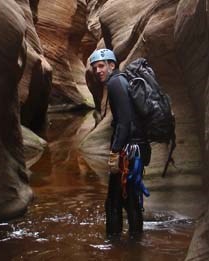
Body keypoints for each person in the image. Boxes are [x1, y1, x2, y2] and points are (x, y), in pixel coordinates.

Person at [89, 48, 151, 239]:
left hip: (129, 151)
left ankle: (114, 244)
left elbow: (124, 122)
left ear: (111, 65)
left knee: (114, 203)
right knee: (130, 200)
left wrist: (115, 151)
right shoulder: (120, 81)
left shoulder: (116, 83)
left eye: (101, 66)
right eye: (95, 68)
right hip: (136, 149)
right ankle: (135, 245)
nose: (98, 70)